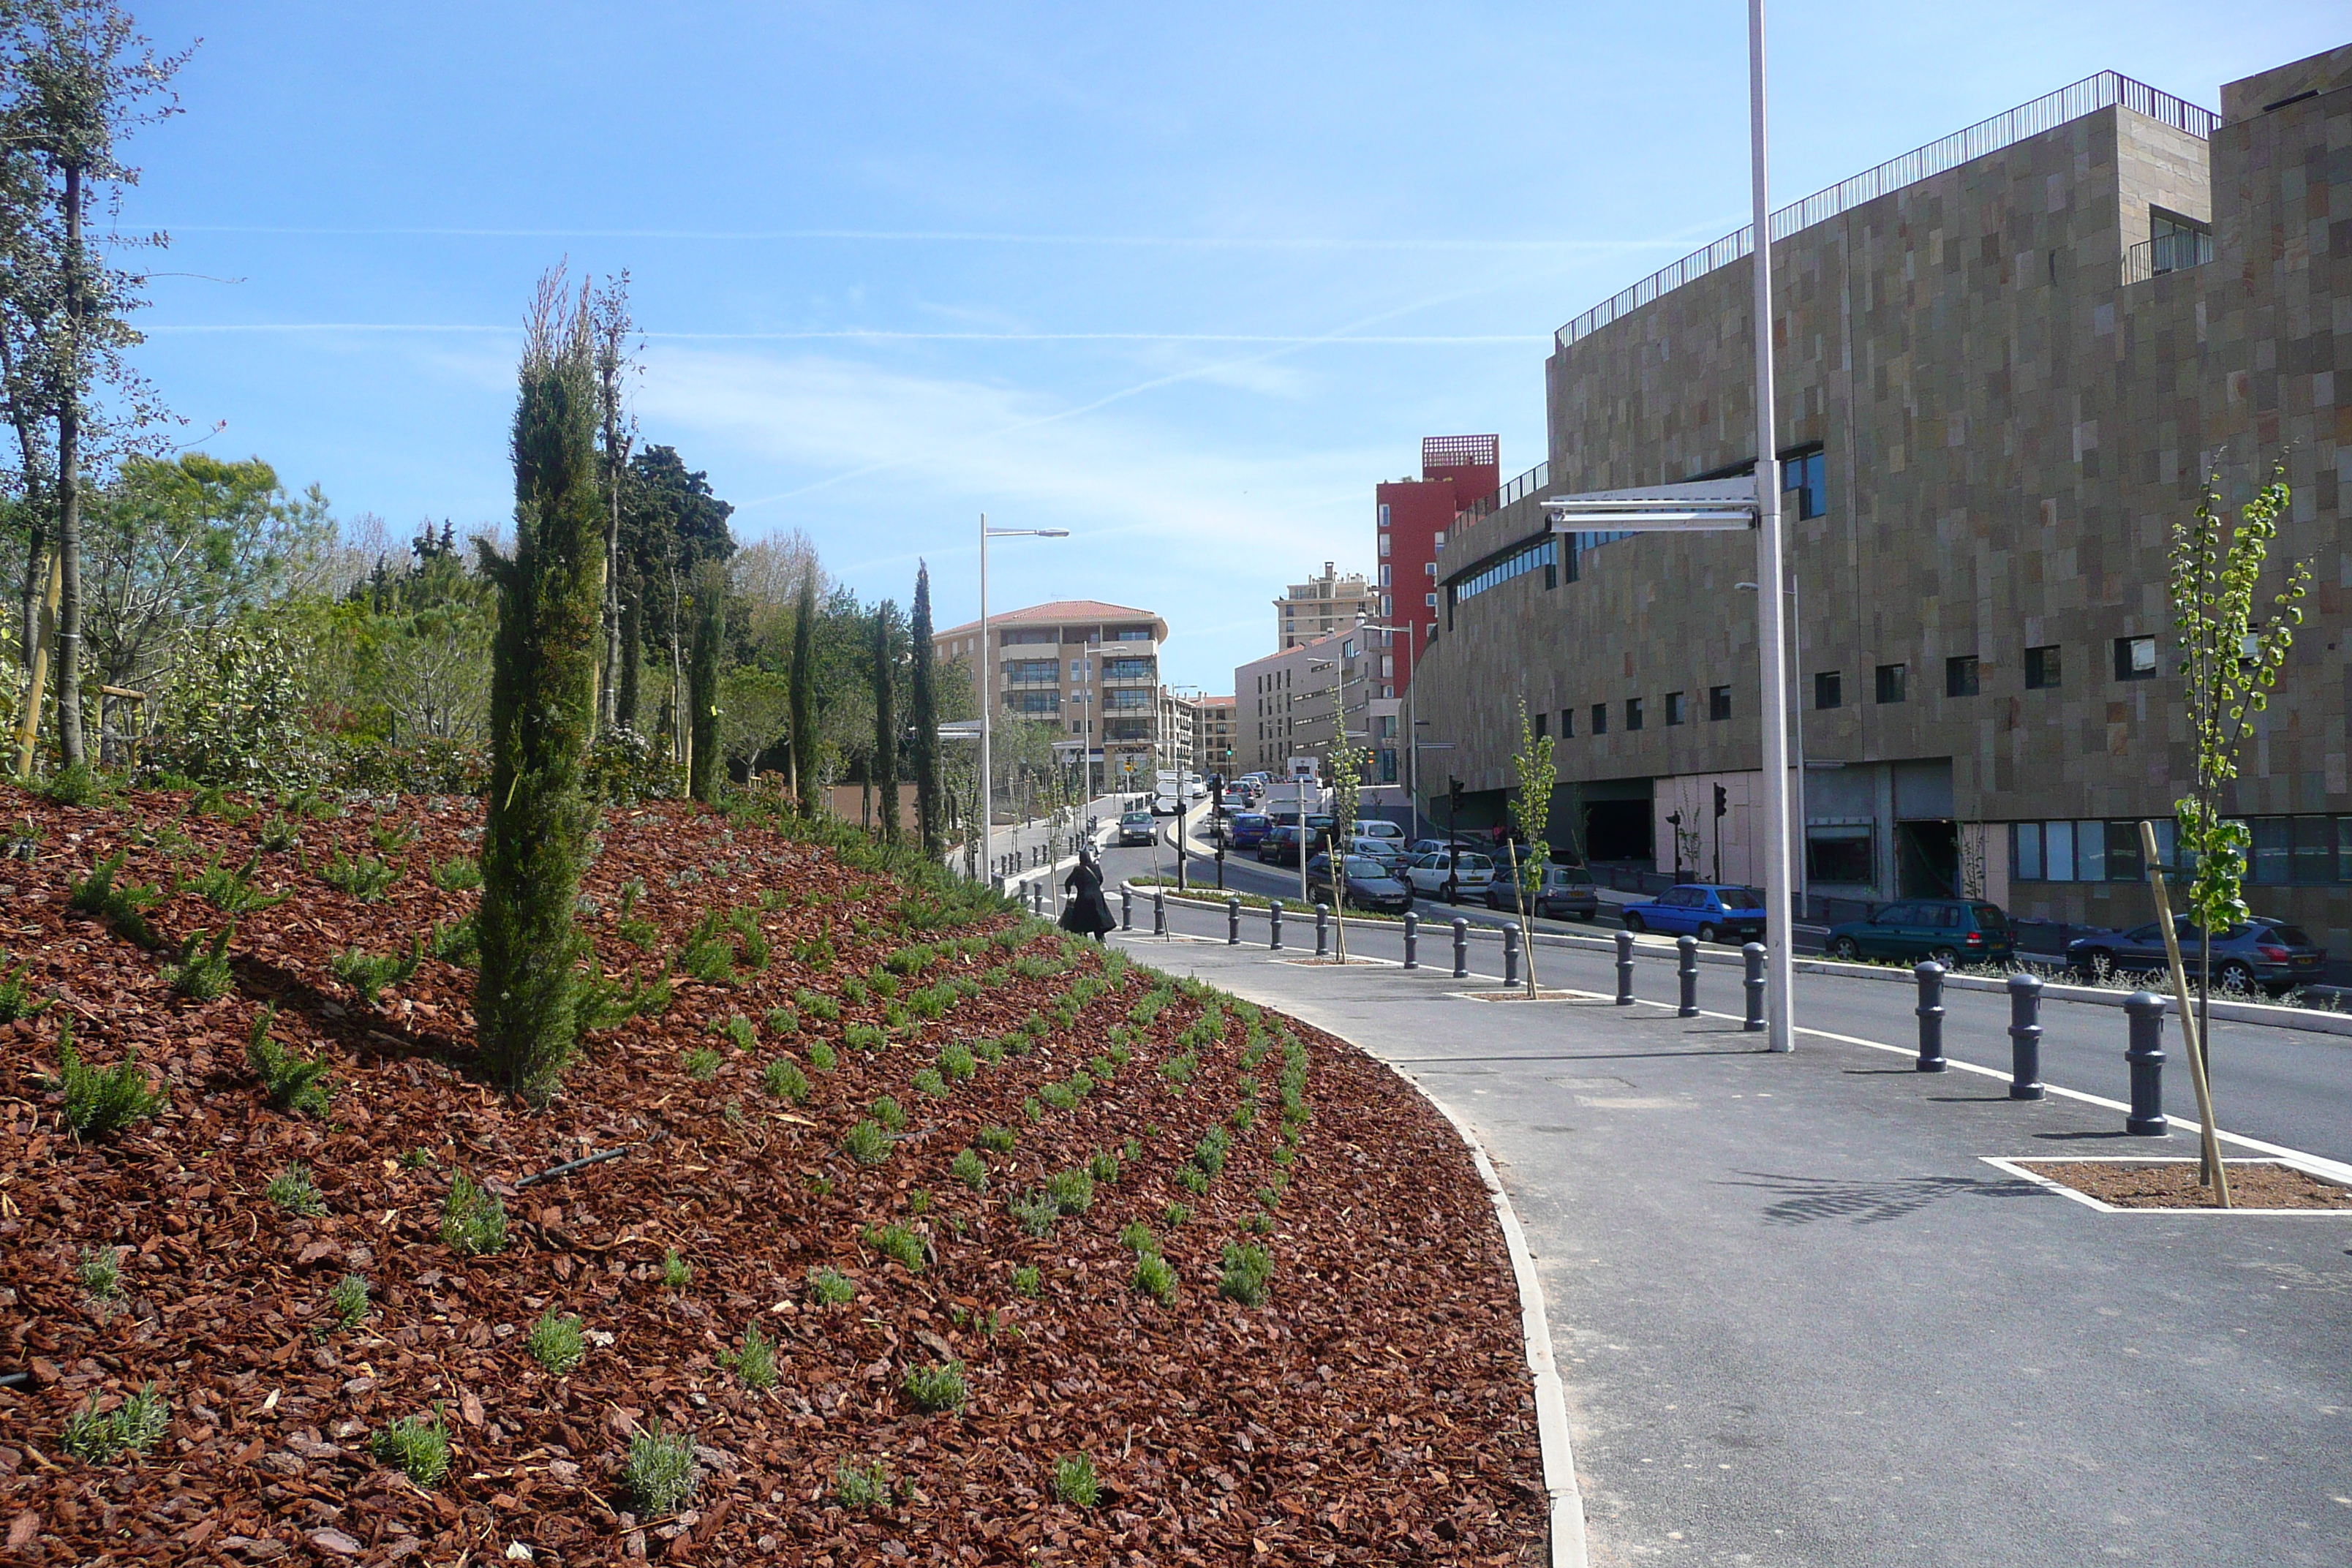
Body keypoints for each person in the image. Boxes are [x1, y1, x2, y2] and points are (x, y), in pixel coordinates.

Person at [1059, 849, 1117, 941]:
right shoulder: (1096, 867)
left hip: (1084, 899)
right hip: (1097, 899)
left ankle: (1085, 942)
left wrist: (1069, 892)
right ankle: (1101, 941)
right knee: (1097, 921)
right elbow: (1101, 879)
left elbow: (1068, 882)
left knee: (1082, 924)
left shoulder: (1078, 870)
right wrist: (1095, 888)